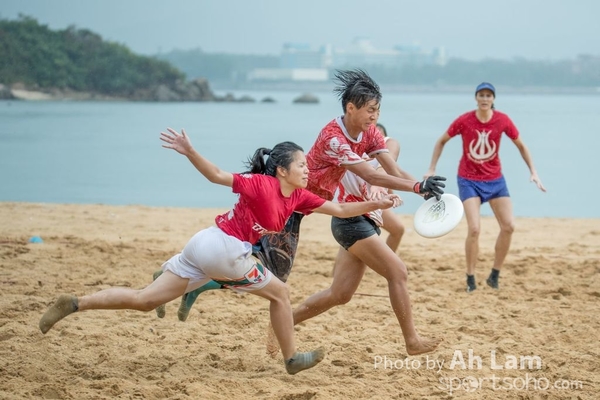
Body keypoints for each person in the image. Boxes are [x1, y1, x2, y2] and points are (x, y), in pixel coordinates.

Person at [38, 128, 402, 375]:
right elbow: (215, 175)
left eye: (307, 164)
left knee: (145, 299)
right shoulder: (259, 184)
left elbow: (339, 210)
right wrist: (190, 150)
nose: (308, 170)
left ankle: (75, 304)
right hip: (224, 249)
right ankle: (291, 358)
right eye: (302, 165)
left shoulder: (301, 197)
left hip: (204, 243)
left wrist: (379, 201)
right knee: (281, 293)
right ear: (281, 169)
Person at [290, 69, 445, 356]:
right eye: (370, 110)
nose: (374, 116)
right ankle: (412, 341)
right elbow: (372, 178)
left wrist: (423, 189)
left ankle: (285, 322)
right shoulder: (333, 138)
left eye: (377, 110)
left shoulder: (370, 133)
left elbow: (391, 170)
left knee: (341, 295)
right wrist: (415, 185)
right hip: (324, 209)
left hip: (354, 214)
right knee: (398, 271)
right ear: (351, 108)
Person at [424, 82, 546, 293]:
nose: (485, 98)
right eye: (481, 95)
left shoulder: (502, 120)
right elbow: (441, 141)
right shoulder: (464, 120)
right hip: (468, 180)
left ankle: (494, 275)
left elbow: (521, 146)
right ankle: (470, 277)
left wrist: (533, 171)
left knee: (509, 226)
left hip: (495, 180)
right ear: (476, 98)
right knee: (474, 229)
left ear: (493, 99)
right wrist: (431, 168)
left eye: (488, 95)